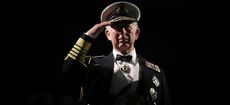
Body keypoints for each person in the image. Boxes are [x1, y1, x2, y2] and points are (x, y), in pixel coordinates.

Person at [61, 1, 171, 105]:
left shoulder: (156, 72)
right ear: (108, 34)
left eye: (128, 28)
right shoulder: (92, 65)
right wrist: (88, 37)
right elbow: (67, 74)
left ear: (136, 33)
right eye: (118, 28)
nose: (123, 33)